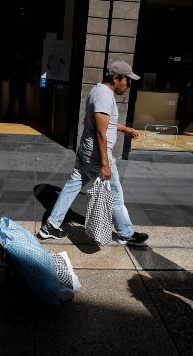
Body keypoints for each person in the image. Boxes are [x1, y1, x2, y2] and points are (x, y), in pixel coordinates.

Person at [38, 60, 149, 246]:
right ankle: (126, 233)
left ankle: (50, 226)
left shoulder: (98, 90)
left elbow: (105, 123)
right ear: (116, 78)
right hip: (97, 157)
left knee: (70, 188)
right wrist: (105, 165)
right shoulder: (105, 96)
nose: (129, 84)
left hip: (86, 153)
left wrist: (124, 129)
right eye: (127, 80)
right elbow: (101, 132)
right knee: (115, 194)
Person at [5, 46, 30, 122]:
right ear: (14, 55)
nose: (18, 55)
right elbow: (9, 73)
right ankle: (9, 117)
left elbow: (26, 73)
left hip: (21, 85)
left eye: (19, 54)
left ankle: (22, 117)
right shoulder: (11, 63)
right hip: (13, 84)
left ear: (21, 55)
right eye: (16, 54)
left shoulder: (24, 63)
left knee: (21, 101)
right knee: (12, 101)